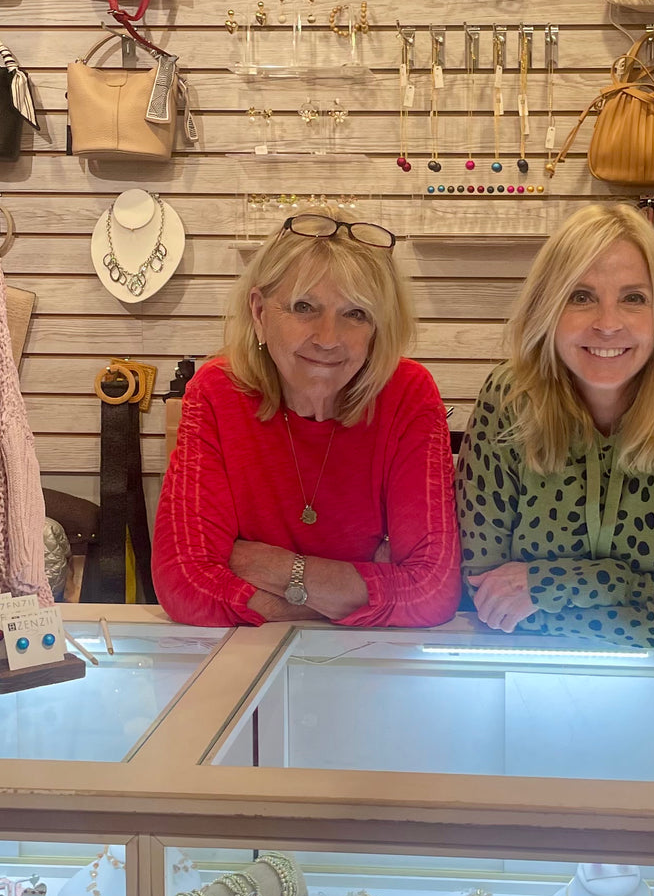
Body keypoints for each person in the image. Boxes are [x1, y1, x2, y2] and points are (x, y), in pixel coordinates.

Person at [456, 203, 654, 647]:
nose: (608, 324)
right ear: (547, 306)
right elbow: (485, 593)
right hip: (537, 676)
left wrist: (547, 587)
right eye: (581, 296)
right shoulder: (508, 397)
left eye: (633, 298)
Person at [153, 211, 462, 628]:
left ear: (377, 329)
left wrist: (269, 567)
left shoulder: (408, 394)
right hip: (244, 661)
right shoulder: (216, 392)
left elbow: (432, 592)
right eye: (304, 307)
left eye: (356, 314)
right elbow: (186, 585)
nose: (328, 338)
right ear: (260, 313)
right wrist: (367, 587)